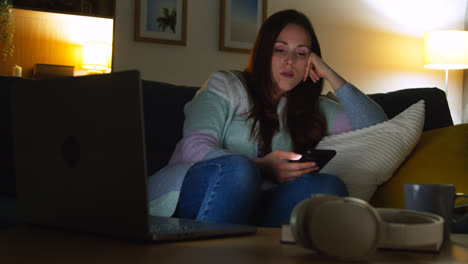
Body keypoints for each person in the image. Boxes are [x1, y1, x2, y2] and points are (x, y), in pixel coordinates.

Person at [147, 9, 388, 227]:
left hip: (260, 202)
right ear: (264, 52)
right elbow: (194, 148)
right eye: (280, 49)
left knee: (328, 187)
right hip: (193, 191)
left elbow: (378, 126)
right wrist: (262, 167)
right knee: (240, 171)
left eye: (301, 53)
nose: (290, 61)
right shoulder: (226, 85)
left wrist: (329, 73)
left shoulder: (312, 108)